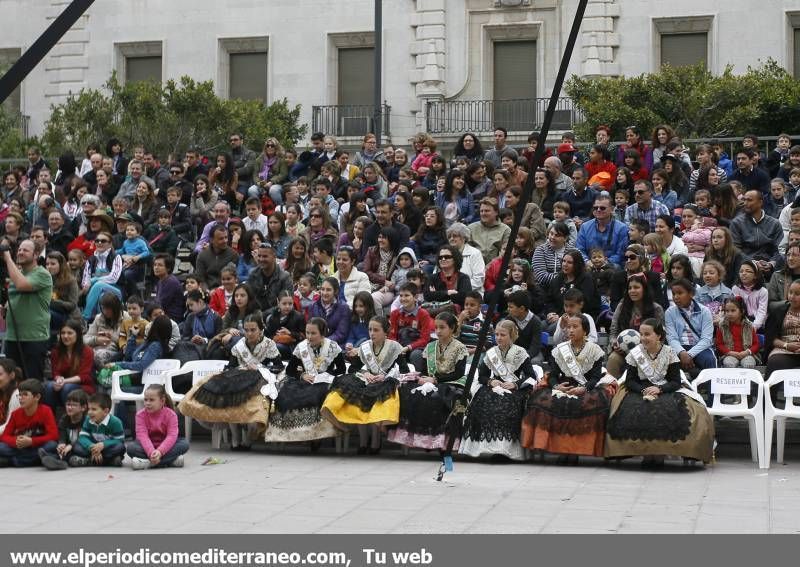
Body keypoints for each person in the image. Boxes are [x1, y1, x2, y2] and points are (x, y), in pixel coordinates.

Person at [605, 318, 714, 466]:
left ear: (659, 336)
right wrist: (643, 390)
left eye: (647, 334)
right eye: (641, 334)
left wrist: (660, 389)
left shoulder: (669, 353)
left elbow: (675, 381)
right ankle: (645, 454)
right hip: (639, 388)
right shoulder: (635, 354)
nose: (643, 338)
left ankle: (660, 454)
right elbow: (630, 381)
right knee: (636, 409)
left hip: (665, 388)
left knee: (670, 410)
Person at [523, 315, 615, 463]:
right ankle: (560, 450)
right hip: (563, 386)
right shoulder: (560, 350)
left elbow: (595, 377)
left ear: (585, 330)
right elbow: (553, 375)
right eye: (569, 327)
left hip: (586, 387)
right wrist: (556, 386)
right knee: (541, 403)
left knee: (590, 405)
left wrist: (584, 388)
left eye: (575, 327)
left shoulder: (594, 350)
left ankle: (574, 452)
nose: (570, 330)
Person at [321, 316, 408, 454]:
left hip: (385, 383)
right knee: (356, 396)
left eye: (376, 330)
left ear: (386, 331)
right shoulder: (365, 346)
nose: (372, 333)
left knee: (375, 398)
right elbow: (353, 368)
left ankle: (375, 440)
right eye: (370, 329)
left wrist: (386, 376)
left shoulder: (394, 347)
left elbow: (404, 370)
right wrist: (365, 373)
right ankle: (362, 440)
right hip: (367, 381)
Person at [388, 312, 468, 451]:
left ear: (452, 328)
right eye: (436, 327)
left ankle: (442, 443)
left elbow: (459, 373)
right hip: (433, 382)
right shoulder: (430, 347)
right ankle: (425, 441)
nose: (438, 331)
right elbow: (425, 371)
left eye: (442, 327)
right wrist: (424, 379)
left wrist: (436, 380)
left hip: (453, 383)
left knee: (439, 399)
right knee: (414, 396)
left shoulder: (460, 347)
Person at [460, 320, 536, 461]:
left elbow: (531, 376)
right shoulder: (491, 353)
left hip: (514, 390)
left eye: (503, 335)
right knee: (484, 403)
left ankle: (504, 451)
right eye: (496, 334)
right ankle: (483, 447)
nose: (499, 338)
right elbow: (482, 376)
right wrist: (491, 381)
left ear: (512, 335)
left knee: (506, 405)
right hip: (494, 387)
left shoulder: (520, 353)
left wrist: (515, 384)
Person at [264, 318, 346, 445]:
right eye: (307, 333)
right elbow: (290, 370)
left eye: (313, 333)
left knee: (318, 395)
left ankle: (318, 436)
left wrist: (327, 375)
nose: (309, 336)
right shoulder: (301, 347)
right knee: (289, 395)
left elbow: (341, 369)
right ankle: (299, 434)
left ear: (322, 333)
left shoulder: (333, 347)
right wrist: (302, 375)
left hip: (324, 383)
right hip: (305, 381)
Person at [1, 239, 53, 379]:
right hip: (12, 336)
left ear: (35, 255)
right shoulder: (16, 273)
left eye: (25, 250)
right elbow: (14, 296)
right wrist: (5, 308)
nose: (20, 252)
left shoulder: (42, 274)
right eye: (19, 250)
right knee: (11, 382)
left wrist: (7, 257)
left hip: (33, 338)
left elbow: (21, 285)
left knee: (31, 382)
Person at [606, 273, 665, 378]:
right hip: (624, 351)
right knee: (613, 359)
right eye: (630, 288)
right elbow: (613, 331)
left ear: (644, 289)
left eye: (636, 287)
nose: (632, 291)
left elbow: (662, 336)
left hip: (649, 352)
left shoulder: (656, 309)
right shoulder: (621, 306)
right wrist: (614, 343)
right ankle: (611, 389)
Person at [126, 384, 189, 470]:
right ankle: (171, 460)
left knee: (184, 444)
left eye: (151, 400)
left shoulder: (171, 415)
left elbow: (172, 436)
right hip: (147, 446)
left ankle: (147, 463)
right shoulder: (140, 415)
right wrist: (151, 452)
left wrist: (160, 451)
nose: (147, 403)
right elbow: (142, 436)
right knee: (131, 448)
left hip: (166, 446)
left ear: (162, 401)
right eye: (145, 400)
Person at [0, 379, 58, 467]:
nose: (20, 398)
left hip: (37, 446)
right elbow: (4, 436)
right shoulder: (16, 414)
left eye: (25, 395)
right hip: (21, 448)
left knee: (52, 445)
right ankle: (39, 459)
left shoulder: (46, 411)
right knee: (2, 447)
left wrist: (32, 441)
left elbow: (53, 436)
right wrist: (17, 441)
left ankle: (14, 461)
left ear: (37, 397)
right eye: (19, 395)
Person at [665, 279, 717, 376]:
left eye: (680, 293)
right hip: (679, 347)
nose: (676, 297)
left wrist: (689, 354)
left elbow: (706, 339)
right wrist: (681, 352)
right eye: (674, 294)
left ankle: (712, 390)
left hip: (699, 347)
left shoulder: (704, 311)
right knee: (668, 361)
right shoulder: (670, 312)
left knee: (709, 359)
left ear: (691, 294)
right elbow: (672, 338)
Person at [730, 190, 783, 279]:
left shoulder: (774, 223)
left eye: (749, 200)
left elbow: (780, 249)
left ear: (760, 202)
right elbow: (736, 249)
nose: (745, 203)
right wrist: (753, 262)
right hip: (745, 264)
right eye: (744, 200)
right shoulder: (736, 223)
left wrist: (771, 263)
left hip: (769, 265)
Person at [44, 322, 94, 409]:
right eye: (63, 333)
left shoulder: (87, 351)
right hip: (63, 384)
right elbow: (55, 372)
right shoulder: (56, 351)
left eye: (69, 333)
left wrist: (64, 381)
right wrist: (59, 380)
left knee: (67, 388)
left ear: (77, 335)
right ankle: (50, 417)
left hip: (83, 386)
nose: (65, 336)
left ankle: (70, 417)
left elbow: (84, 376)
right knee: (49, 386)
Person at [38, 388, 89, 470]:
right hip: (68, 449)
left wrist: (71, 446)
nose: (70, 407)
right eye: (68, 404)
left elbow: (84, 438)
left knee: (78, 448)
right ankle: (54, 460)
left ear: (83, 408)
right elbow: (62, 435)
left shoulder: (87, 420)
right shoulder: (64, 419)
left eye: (74, 405)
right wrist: (61, 444)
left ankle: (54, 459)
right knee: (52, 444)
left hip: (81, 447)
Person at [71, 393, 125, 467]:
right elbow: (82, 437)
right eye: (89, 409)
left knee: (120, 447)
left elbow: (119, 440)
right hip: (91, 448)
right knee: (76, 447)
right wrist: (91, 447)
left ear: (105, 411)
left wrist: (103, 444)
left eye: (94, 409)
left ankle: (88, 461)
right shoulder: (88, 419)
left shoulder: (115, 422)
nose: (89, 412)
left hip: (106, 449)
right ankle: (109, 461)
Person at [575, 194, 628, 268]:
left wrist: (605, 263)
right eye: (595, 208)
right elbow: (579, 249)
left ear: (612, 209)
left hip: (611, 266)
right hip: (589, 265)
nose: (598, 210)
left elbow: (620, 254)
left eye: (602, 208)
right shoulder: (585, 227)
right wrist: (587, 261)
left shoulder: (622, 228)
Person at [765, 280, 800, 377]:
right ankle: (767, 392)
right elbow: (771, 338)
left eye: (797, 294)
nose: (792, 296)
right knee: (775, 361)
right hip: (784, 350)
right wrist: (786, 345)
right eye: (790, 292)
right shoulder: (778, 311)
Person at [246, 242, 293, 313]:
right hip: (256, 317)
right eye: (259, 256)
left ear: (274, 257)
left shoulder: (285, 277)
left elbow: (286, 304)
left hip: (277, 317)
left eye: (265, 256)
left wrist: (264, 315)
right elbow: (248, 300)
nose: (261, 259)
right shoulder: (253, 275)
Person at [716, 296, 760, 369]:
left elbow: (756, 344)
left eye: (733, 310)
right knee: (729, 364)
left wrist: (747, 352)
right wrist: (730, 352)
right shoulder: (722, 326)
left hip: (747, 354)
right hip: (729, 355)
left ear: (742, 311)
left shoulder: (749, 325)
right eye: (727, 311)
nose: (729, 314)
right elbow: (719, 344)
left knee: (748, 364)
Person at [424, 244, 472, 310]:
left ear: (455, 258)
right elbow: (427, 296)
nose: (443, 259)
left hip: (458, 314)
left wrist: (437, 294)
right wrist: (447, 293)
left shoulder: (463, 278)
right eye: (440, 257)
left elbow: (464, 297)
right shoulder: (432, 278)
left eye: (447, 257)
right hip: (436, 313)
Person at [468, 197, 510, 265]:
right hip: (474, 266)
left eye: (487, 211)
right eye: (481, 211)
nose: (483, 213)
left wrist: (489, 267)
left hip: (496, 268)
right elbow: (467, 251)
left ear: (496, 212)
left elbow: (505, 253)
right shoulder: (471, 228)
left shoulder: (505, 230)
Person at [532, 222, 576, 286]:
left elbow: (580, 272)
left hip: (570, 288)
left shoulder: (574, 251)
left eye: (557, 235)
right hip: (546, 288)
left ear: (565, 238)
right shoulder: (540, 250)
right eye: (551, 233)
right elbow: (541, 277)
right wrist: (566, 278)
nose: (552, 237)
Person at [265, 290, 306, 359]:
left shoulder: (299, 317)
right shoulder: (273, 316)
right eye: (284, 304)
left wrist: (290, 333)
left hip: (292, 347)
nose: (287, 306)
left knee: (277, 347)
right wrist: (276, 338)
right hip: (275, 343)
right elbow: (268, 334)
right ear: (278, 302)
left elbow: (303, 336)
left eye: (290, 304)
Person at [732, 260, 769, 331]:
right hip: (742, 320)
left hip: (759, 322)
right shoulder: (736, 289)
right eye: (741, 271)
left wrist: (754, 327)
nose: (743, 273)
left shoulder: (763, 291)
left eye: (748, 271)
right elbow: (738, 309)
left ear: (755, 275)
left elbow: (762, 311)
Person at [768, 243, 800, 309]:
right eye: (788, 255)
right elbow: (770, 304)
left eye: (795, 255)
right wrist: (787, 304)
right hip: (784, 315)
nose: (790, 258)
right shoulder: (777, 276)